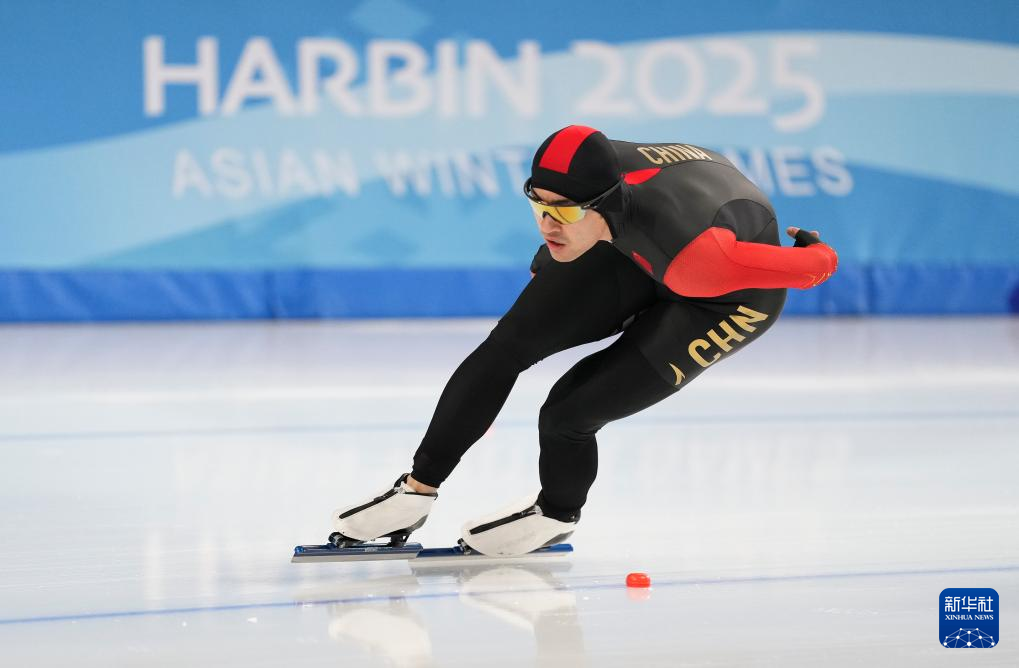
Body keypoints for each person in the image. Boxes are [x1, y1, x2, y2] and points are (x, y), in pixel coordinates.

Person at [330, 125, 838, 556]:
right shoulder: (589, 179)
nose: (548, 224)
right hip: (635, 239)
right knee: (504, 348)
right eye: (538, 205)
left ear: (604, 204)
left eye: (565, 213)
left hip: (721, 295)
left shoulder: (700, 261)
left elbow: (818, 267)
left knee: (567, 413)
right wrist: (555, 249)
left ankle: (557, 513)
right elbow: (569, 203)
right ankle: (415, 492)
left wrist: (811, 252)